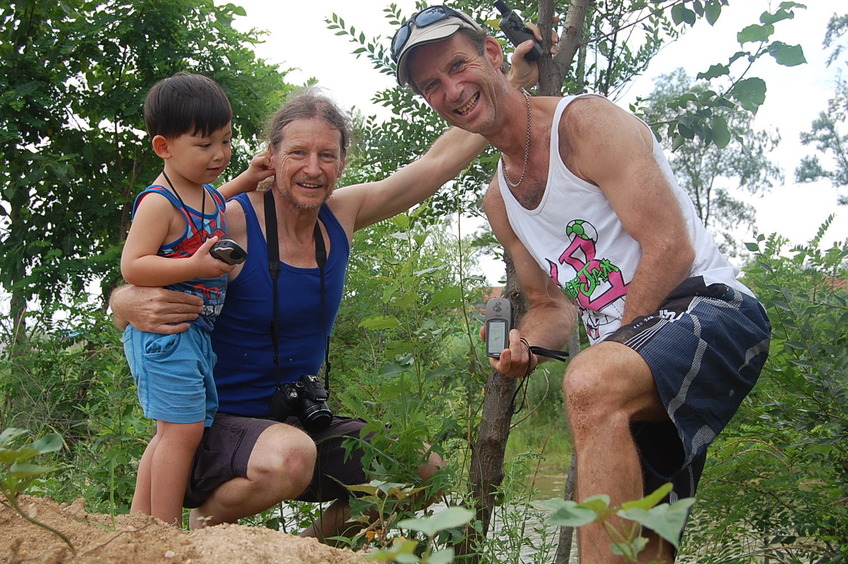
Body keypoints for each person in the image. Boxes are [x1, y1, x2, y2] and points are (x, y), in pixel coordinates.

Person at [111, 44, 538, 539]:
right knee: (290, 457)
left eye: (326, 155)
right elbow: (146, 266)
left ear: (342, 162)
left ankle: (308, 551)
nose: (312, 168)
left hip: (298, 418)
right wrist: (122, 302)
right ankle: (208, 527)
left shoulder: (342, 215)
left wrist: (511, 81)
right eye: (297, 153)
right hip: (215, 428)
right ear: (271, 157)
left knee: (420, 471)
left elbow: (435, 164)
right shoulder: (231, 218)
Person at [392, 7, 771, 563]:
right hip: (634, 359)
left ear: (494, 55)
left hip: (710, 309)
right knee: (646, 547)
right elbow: (551, 306)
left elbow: (670, 247)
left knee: (591, 380)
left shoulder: (586, 124)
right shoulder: (500, 202)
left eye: (458, 65)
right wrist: (524, 344)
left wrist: (605, 354)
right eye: (432, 85)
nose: (452, 89)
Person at [120, 72, 263, 526]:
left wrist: (247, 177)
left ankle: (138, 528)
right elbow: (133, 266)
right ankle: (166, 533)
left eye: (226, 140)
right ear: (164, 147)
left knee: (174, 432)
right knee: (179, 432)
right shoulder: (158, 203)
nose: (219, 154)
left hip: (194, 334)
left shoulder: (204, 196)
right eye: (205, 145)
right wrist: (192, 268)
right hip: (164, 335)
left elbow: (214, 202)